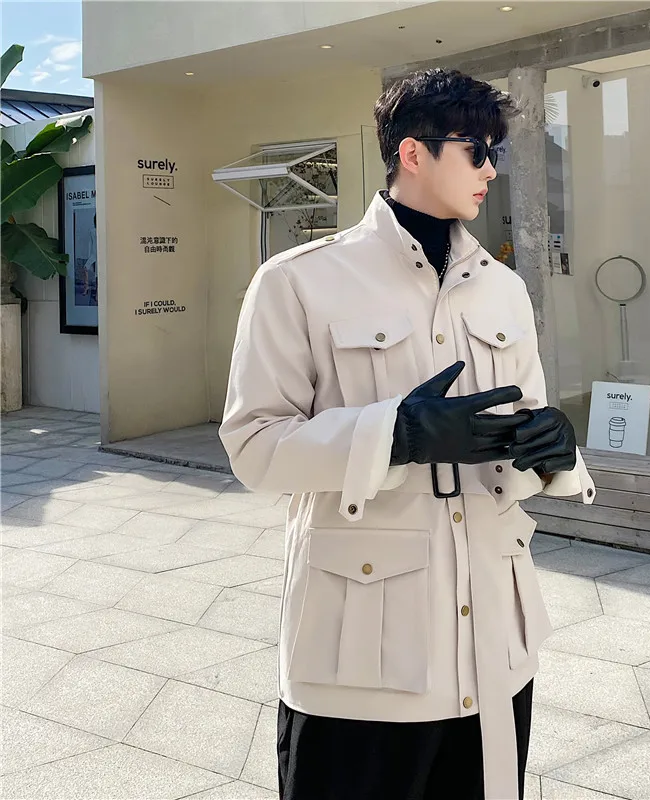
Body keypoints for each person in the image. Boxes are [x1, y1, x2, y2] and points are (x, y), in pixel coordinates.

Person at [219, 68, 596, 800]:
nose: (491, 170)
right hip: (362, 661)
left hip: (495, 649)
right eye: (476, 151)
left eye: (495, 154)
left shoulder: (504, 288)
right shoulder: (298, 281)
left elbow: (519, 432)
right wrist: (396, 435)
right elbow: (254, 448)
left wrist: (553, 454)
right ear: (413, 153)